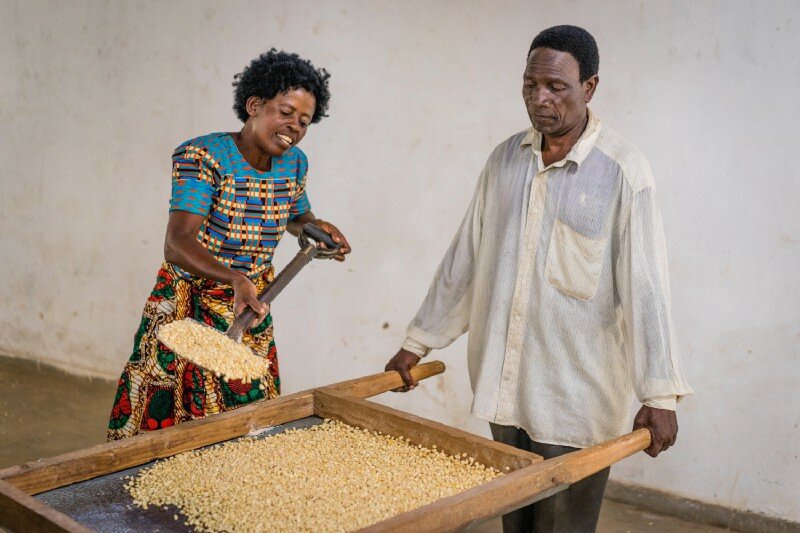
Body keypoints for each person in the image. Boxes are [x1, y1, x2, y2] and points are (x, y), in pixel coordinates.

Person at [384, 25, 692, 532]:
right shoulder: (505, 161)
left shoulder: (622, 171)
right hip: (506, 388)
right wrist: (417, 343)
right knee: (516, 523)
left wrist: (659, 396)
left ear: (589, 87)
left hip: (575, 399)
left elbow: (646, 288)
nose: (540, 98)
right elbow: (466, 260)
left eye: (556, 86)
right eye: (531, 85)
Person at [107, 49, 351, 441]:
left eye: (304, 121)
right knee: (170, 411)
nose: (294, 126)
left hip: (253, 304)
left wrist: (316, 228)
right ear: (254, 105)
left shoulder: (295, 163)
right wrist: (236, 279)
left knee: (249, 416)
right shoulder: (203, 156)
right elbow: (177, 242)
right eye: (286, 112)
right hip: (190, 302)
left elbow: (296, 216)